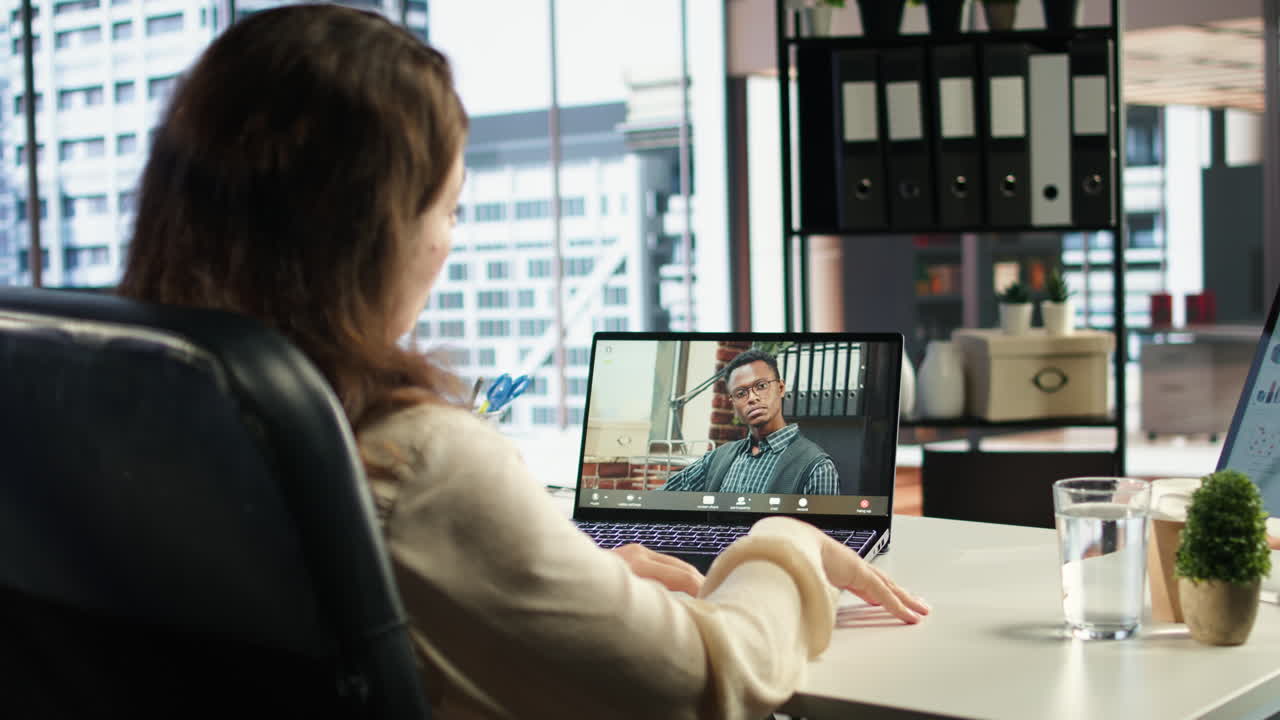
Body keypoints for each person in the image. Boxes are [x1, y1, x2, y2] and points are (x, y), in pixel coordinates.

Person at [118, 6, 928, 718]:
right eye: (450, 208)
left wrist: (585, 577)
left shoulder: (134, 415)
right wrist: (782, 545)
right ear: (370, 231)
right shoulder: (415, 459)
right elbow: (701, 686)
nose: (449, 242)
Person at [659, 348, 839, 495]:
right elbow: (660, 498)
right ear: (733, 403)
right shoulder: (717, 458)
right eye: (741, 393)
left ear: (781, 388)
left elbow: (821, 537)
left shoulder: (816, 467)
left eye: (761, 386)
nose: (752, 398)